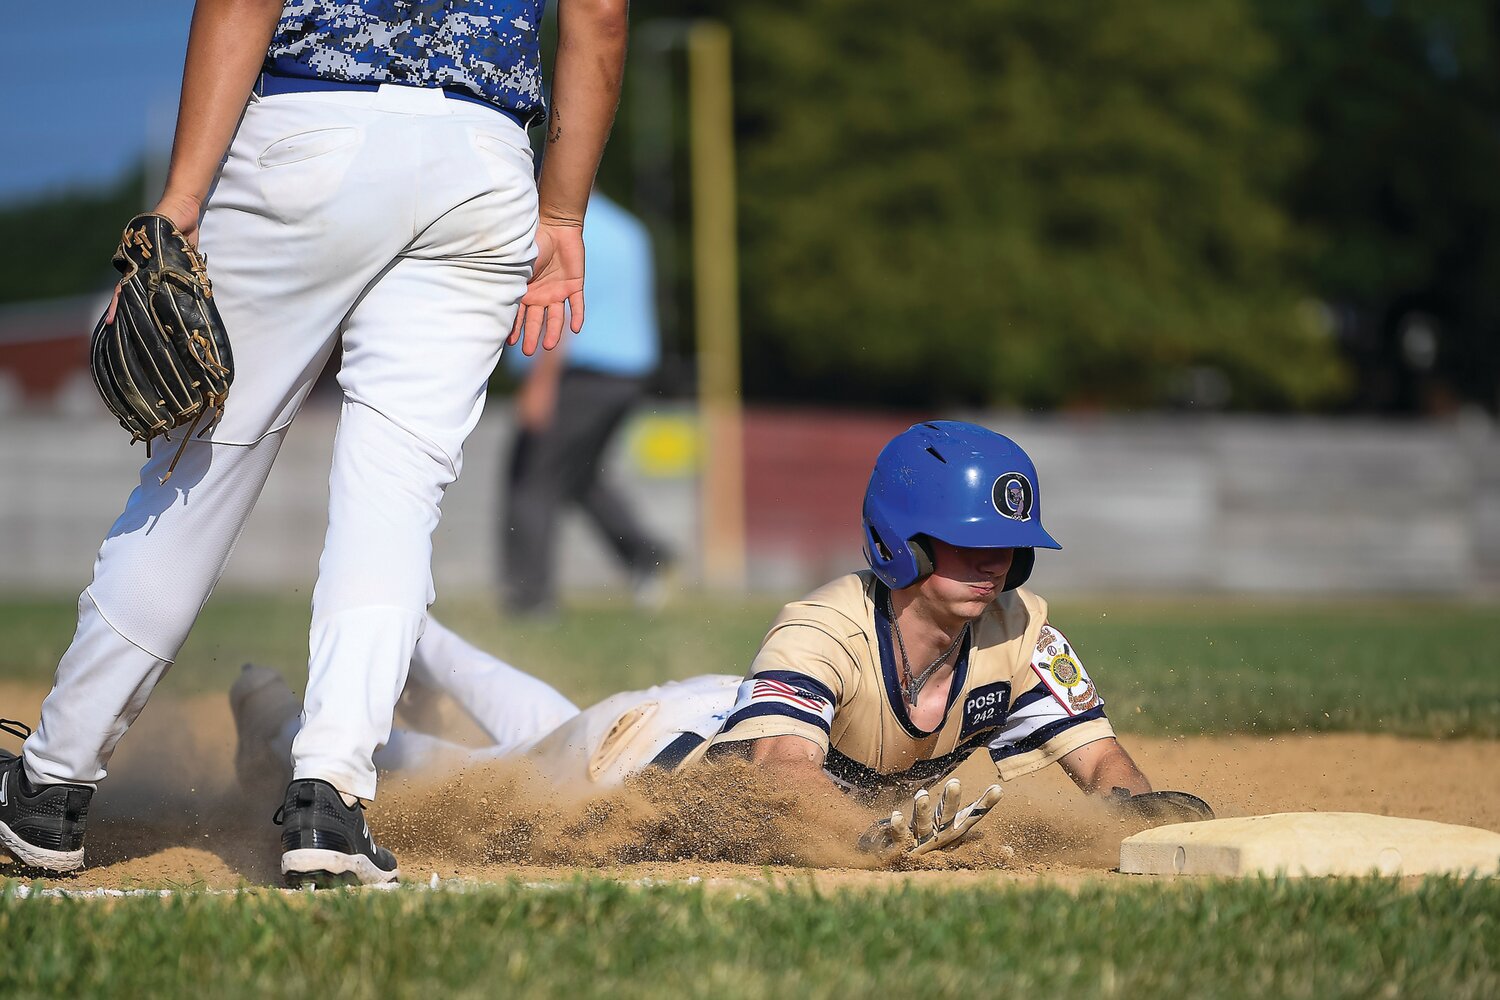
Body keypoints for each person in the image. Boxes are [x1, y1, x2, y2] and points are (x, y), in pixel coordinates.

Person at [0, 0, 628, 887]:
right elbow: (598, 15)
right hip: (484, 165)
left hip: (308, 128)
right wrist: (561, 217)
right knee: (396, 500)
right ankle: (329, 800)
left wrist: (181, 199)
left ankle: (49, 789)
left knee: (195, 484)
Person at [232, 422, 1201, 857]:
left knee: (531, 724)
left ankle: (413, 632)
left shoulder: (1017, 629)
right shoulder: (823, 624)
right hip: (643, 754)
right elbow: (780, 771)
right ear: (899, 539)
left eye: (1009, 547)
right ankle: (286, 715)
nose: (993, 564)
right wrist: (879, 841)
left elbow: (1101, 760)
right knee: (454, 768)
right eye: (968, 542)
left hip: (710, 704)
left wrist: (1137, 810)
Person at [502, 191, 671, 616]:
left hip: (574, 373)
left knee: (531, 479)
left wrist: (541, 381)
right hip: (627, 376)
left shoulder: (554, 223)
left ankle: (531, 601)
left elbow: (560, 299)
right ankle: (646, 556)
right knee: (579, 477)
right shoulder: (627, 227)